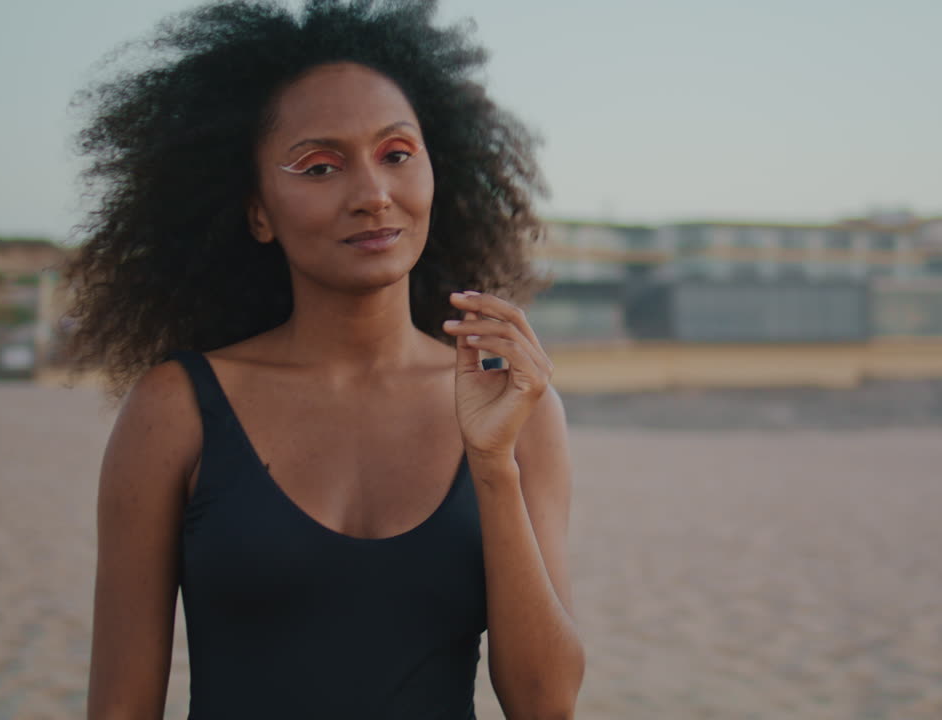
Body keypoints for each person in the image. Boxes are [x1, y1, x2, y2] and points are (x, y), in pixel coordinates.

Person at [67, 1, 584, 717]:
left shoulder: (516, 409)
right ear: (257, 211)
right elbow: (121, 707)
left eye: (397, 154)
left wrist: (494, 468)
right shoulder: (176, 407)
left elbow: (546, 702)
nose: (373, 195)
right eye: (319, 167)